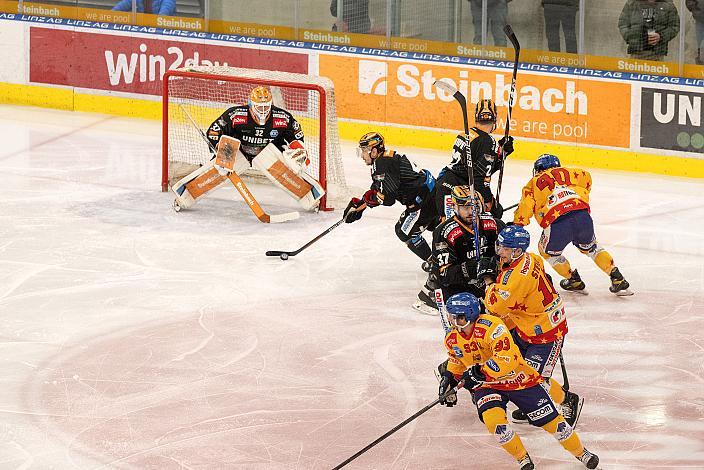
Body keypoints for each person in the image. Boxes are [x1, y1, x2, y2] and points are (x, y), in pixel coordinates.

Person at [438, 292, 600, 470]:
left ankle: (581, 452)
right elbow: (456, 360)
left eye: (455, 317)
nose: (451, 321)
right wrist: (449, 377)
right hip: (487, 386)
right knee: (494, 422)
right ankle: (522, 458)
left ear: (466, 317)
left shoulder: (492, 326)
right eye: (450, 317)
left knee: (553, 422)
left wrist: (480, 371)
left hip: (518, 378)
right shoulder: (452, 338)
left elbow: (506, 359)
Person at [482, 225, 583, 427]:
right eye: (499, 245)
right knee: (520, 367)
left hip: (547, 332)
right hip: (528, 324)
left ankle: (568, 400)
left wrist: (488, 281)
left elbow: (495, 306)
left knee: (535, 378)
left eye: (504, 248)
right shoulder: (531, 258)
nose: (499, 251)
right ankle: (534, 401)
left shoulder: (517, 278)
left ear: (517, 251)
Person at [171, 86, 323, 212]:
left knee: (285, 173)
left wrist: (297, 149)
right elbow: (214, 131)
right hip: (239, 152)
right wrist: (220, 150)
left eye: (266, 106)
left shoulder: (282, 117)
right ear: (251, 105)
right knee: (220, 169)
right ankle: (184, 196)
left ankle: (311, 197)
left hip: (266, 153)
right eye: (259, 107)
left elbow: (296, 135)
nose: (263, 110)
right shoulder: (236, 114)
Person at [512, 154, 632, 295]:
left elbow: (525, 207)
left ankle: (573, 279)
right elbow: (587, 179)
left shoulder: (533, 182)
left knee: (546, 252)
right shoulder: (573, 173)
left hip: (558, 223)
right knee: (593, 248)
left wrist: (517, 224)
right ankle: (617, 277)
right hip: (582, 216)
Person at [344, 132, 438, 263]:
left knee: (403, 231)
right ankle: (446, 260)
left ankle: (436, 264)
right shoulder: (385, 160)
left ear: (374, 151)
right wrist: (360, 205)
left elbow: (388, 199)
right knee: (436, 226)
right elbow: (379, 189)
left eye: (364, 151)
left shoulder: (382, 163)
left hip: (424, 200)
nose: (362, 155)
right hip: (432, 193)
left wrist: (366, 203)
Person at [414, 186, 504, 315]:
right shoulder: (445, 231)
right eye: (465, 208)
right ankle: (431, 294)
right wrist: (474, 268)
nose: (470, 212)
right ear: (455, 207)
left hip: (487, 281)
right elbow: (444, 274)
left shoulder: (493, 224)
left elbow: (508, 253)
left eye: (474, 207)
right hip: (460, 285)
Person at [435, 99, 514, 221]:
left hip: (445, 185)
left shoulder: (466, 133)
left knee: (448, 231)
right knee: (460, 233)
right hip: (459, 194)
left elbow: (474, 167)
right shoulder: (488, 141)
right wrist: (491, 203)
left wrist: (500, 155)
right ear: (495, 118)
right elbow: (479, 179)